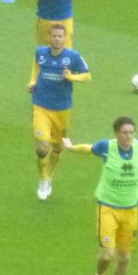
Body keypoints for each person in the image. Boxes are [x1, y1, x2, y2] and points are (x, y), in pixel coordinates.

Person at [61, 116, 138, 275]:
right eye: (125, 132)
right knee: (108, 255)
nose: (128, 136)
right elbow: (89, 149)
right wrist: (71, 148)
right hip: (108, 209)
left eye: (131, 132)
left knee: (125, 258)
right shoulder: (106, 147)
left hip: (130, 210)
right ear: (116, 133)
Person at [28, 23, 91, 200]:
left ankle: (49, 177)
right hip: (40, 105)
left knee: (57, 147)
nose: (56, 39)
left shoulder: (73, 57)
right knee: (42, 148)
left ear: (65, 38)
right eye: (54, 36)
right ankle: (43, 180)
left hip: (62, 109)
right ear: (49, 37)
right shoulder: (40, 52)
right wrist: (33, 81)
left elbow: (87, 75)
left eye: (60, 36)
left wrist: (72, 77)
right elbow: (36, 66)